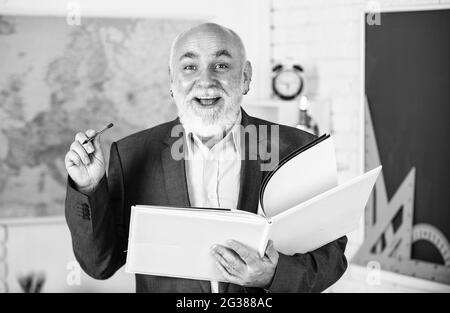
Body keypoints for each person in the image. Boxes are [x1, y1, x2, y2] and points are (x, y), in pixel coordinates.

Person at [64, 23, 347, 293]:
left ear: (245, 77)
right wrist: (88, 188)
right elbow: (99, 264)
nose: (205, 81)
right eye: (189, 67)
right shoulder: (131, 154)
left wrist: (273, 275)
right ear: (172, 81)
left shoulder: (297, 148)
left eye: (221, 66)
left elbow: (332, 257)